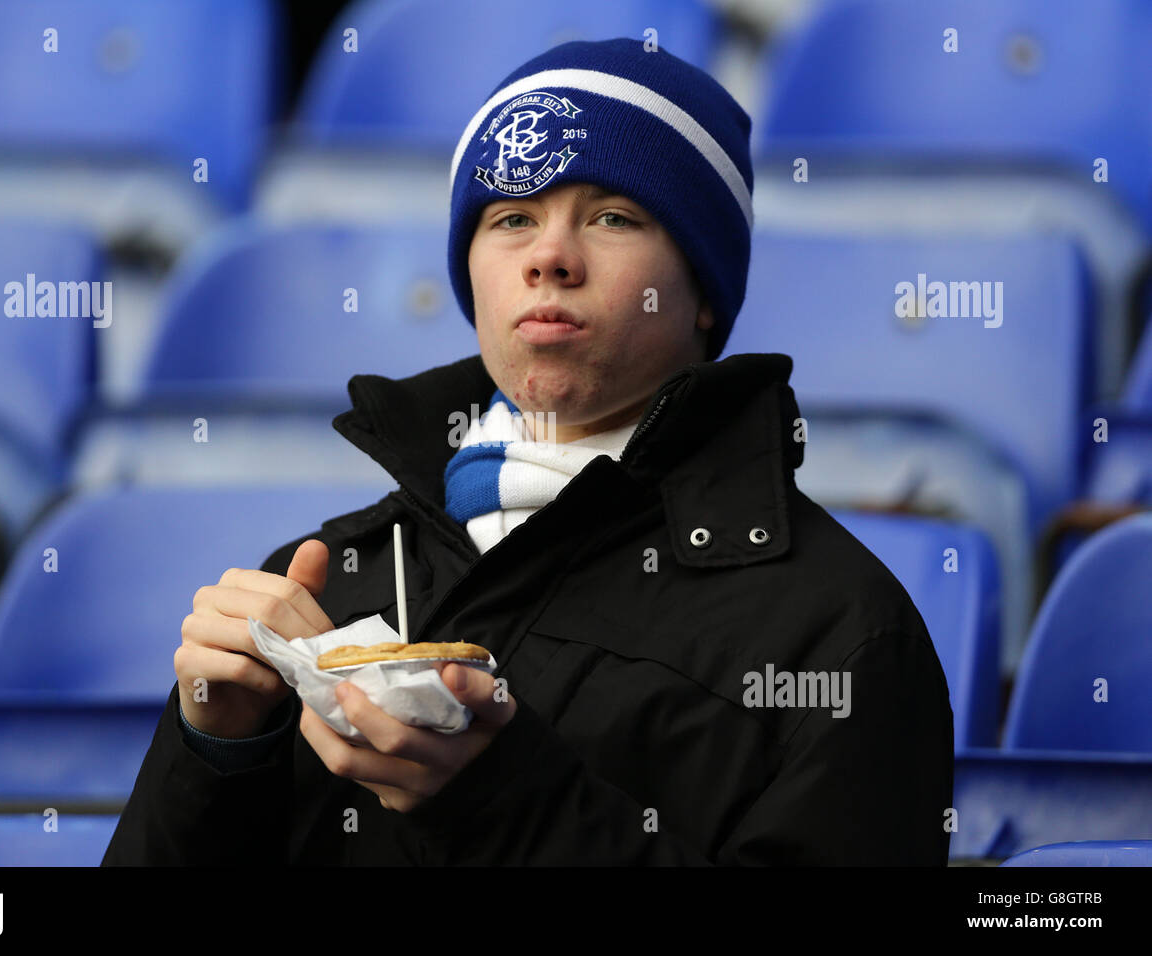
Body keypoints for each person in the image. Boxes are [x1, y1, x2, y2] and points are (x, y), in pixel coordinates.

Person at [102, 38, 953, 866]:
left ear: (702, 290)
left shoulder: (840, 639)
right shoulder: (327, 578)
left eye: (614, 216)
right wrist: (213, 754)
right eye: (511, 217)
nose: (549, 256)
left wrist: (498, 800)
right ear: (471, 275)